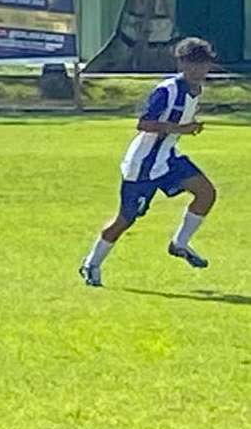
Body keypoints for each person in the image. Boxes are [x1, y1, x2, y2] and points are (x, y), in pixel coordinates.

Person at [79, 38, 218, 288]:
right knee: (126, 219)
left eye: (204, 64)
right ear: (182, 63)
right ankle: (92, 263)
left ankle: (180, 244)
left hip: (168, 159)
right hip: (142, 165)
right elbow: (143, 123)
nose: (199, 70)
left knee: (206, 192)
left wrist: (187, 128)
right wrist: (181, 128)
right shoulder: (167, 90)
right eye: (194, 64)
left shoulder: (197, 90)